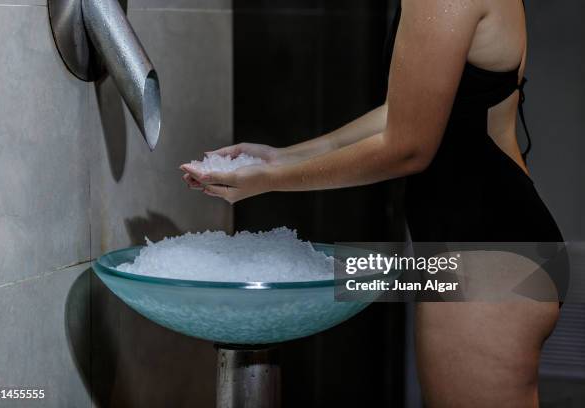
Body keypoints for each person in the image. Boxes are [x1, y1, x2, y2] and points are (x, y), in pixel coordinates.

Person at [181, 0, 564, 405]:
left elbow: (408, 148)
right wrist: (285, 157)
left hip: (487, 260)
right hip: (493, 249)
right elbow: (405, 112)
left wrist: (269, 180)